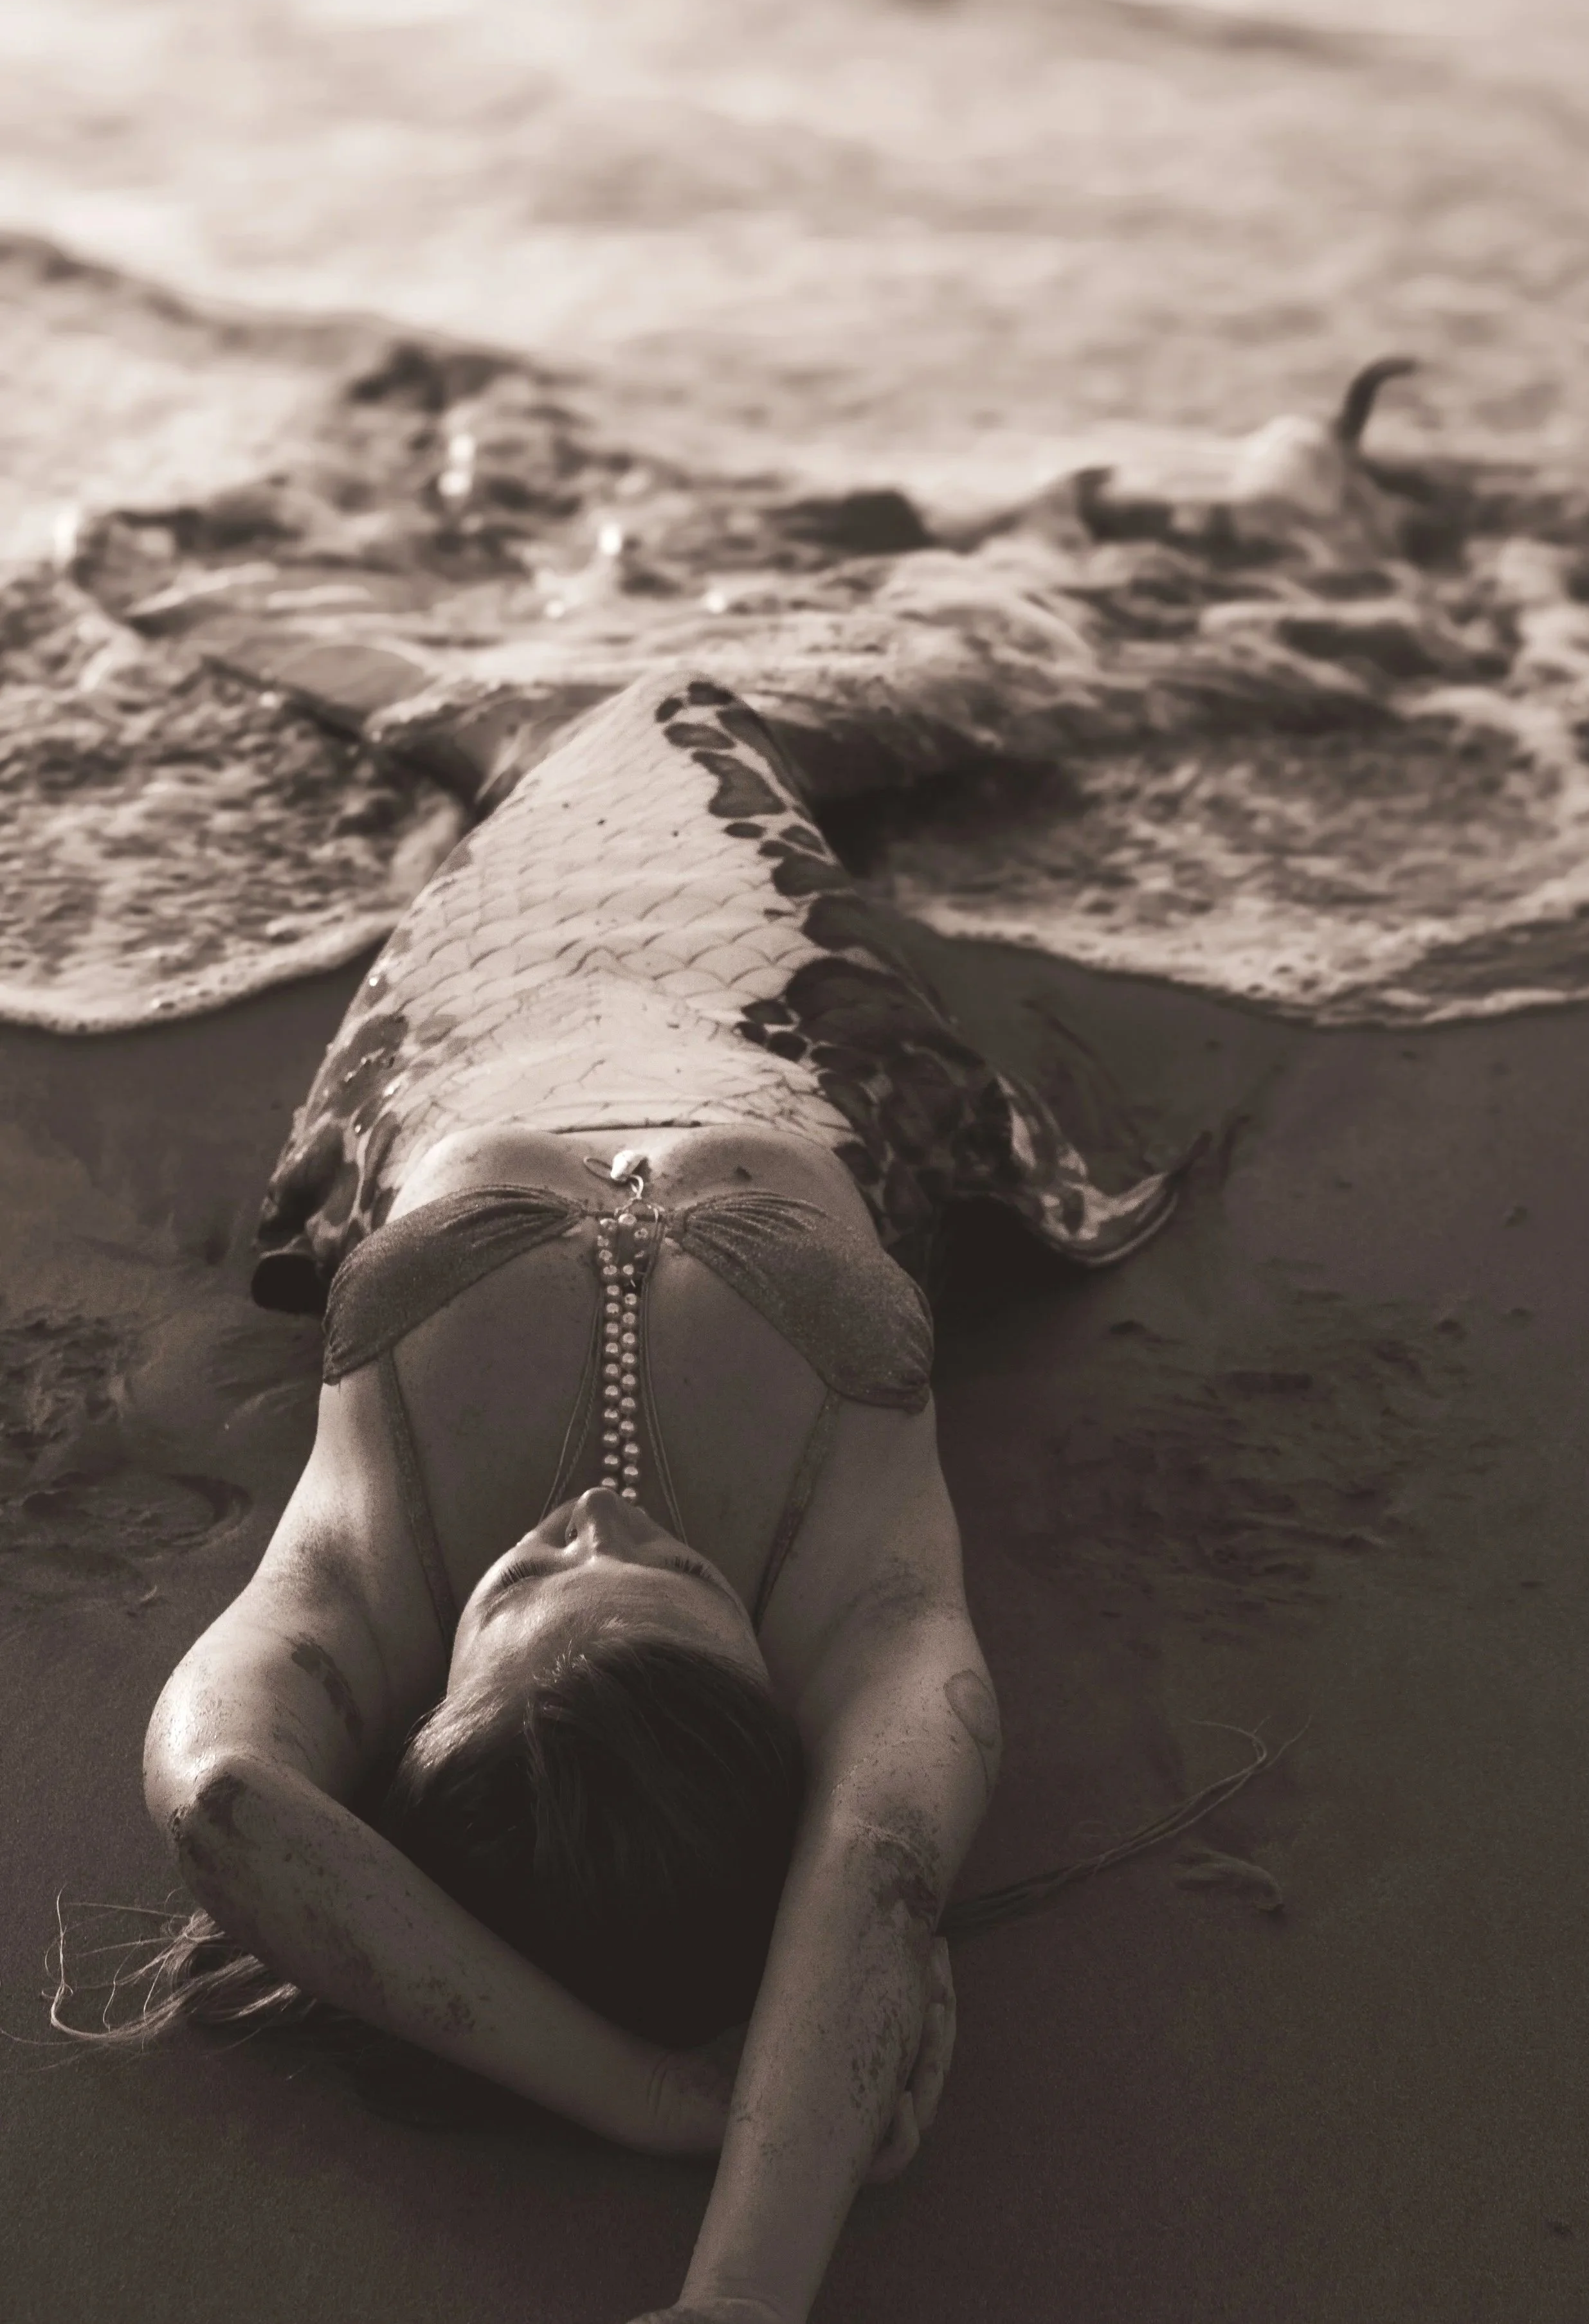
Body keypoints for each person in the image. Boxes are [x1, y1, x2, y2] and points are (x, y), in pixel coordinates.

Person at [133, 669, 1175, 2324]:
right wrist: (743, 2288)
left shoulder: (370, 1557)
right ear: (767, 1703)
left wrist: (636, 2093)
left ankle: (433, 696)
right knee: (707, 718)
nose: (601, 1521)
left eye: (534, 1583)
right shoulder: (866, 1602)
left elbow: (226, 1804)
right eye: (671, 1576)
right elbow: (879, 1862)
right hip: (792, 1000)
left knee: (542, 754)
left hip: (489, 1002)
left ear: (430, 1718)